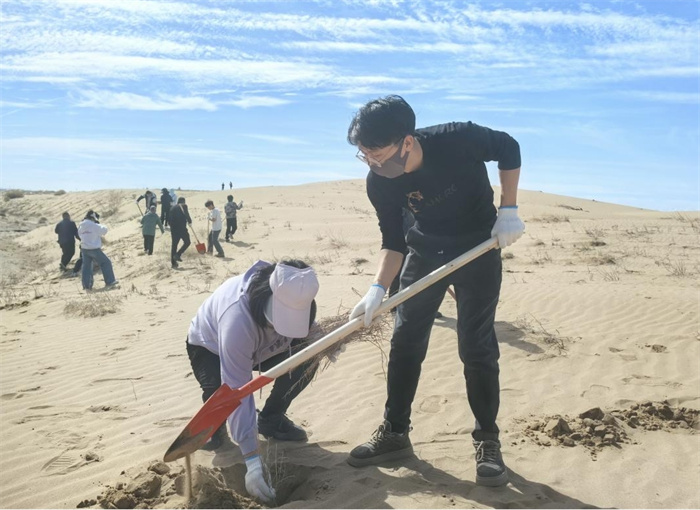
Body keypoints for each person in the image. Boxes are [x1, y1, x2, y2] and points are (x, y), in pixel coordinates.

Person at [345, 95, 525, 487]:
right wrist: (377, 288)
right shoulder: (379, 182)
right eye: (365, 156)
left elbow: (508, 147)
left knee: (476, 345)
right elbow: (393, 241)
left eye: (378, 154)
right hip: (424, 250)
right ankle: (395, 432)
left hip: (479, 246)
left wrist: (509, 208)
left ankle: (488, 440)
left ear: (407, 141)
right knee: (405, 340)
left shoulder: (457, 138)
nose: (372, 163)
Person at [186, 260, 320, 503]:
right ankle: (216, 429)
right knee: (219, 395)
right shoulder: (237, 318)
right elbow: (237, 389)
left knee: (307, 359)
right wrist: (252, 461)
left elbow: (310, 336)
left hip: (265, 348)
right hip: (211, 347)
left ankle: (271, 419)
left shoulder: (298, 296)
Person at [77, 210, 119, 290]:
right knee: (106, 263)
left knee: (86, 267)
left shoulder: (81, 225)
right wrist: (99, 224)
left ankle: (86, 286)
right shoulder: (93, 225)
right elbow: (104, 230)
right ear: (93, 218)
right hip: (93, 248)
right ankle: (110, 281)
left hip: (84, 249)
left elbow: (79, 235)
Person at [168, 197, 193, 269]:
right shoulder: (184, 206)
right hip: (182, 228)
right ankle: (178, 254)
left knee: (174, 245)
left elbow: (169, 220)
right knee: (187, 242)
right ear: (183, 201)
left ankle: (173, 263)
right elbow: (187, 215)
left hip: (173, 229)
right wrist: (190, 221)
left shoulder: (172, 208)